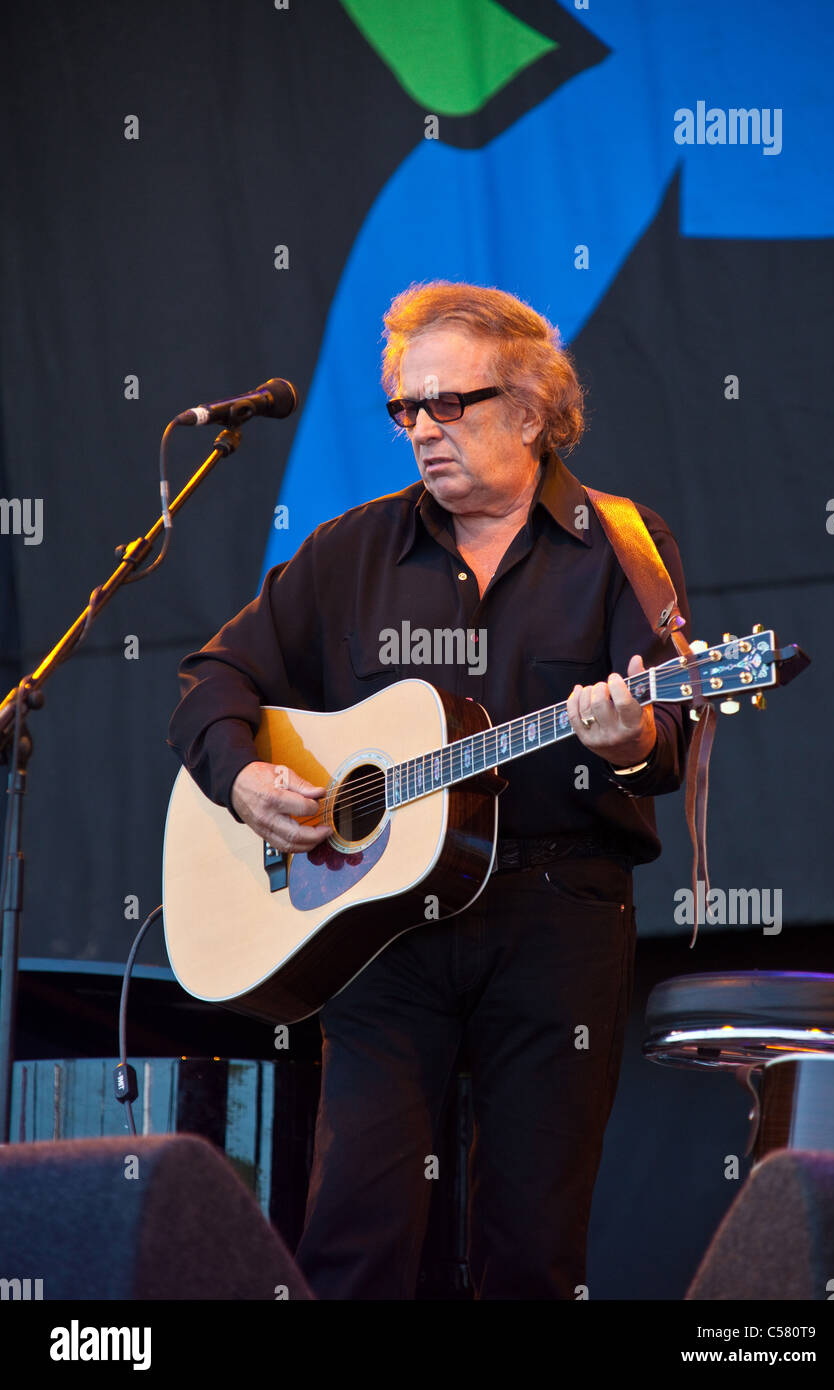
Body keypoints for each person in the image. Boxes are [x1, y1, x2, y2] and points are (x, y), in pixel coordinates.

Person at [167, 281, 691, 1300]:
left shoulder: (623, 545)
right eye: (407, 408)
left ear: (532, 410)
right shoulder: (348, 551)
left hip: (556, 919)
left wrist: (630, 734)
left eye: (449, 404)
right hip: (382, 935)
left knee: (530, 1248)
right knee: (354, 1237)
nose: (422, 430)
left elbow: (663, 746)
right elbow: (211, 679)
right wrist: (244, 781)